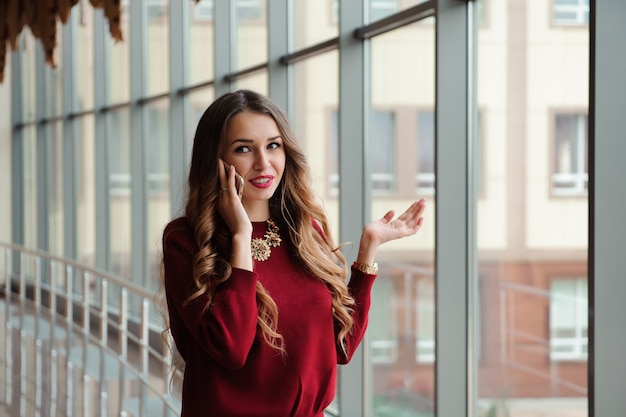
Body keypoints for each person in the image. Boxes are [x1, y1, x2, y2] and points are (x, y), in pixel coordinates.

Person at [161, 89, 427, 417]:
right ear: (215, 160)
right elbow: (231, 349)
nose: (263, 163)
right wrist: (242, 236)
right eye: (244, 148)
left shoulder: (302, 229)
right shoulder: (184, 240)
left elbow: (340, 347)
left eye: (273, 145)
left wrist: (368, 249)